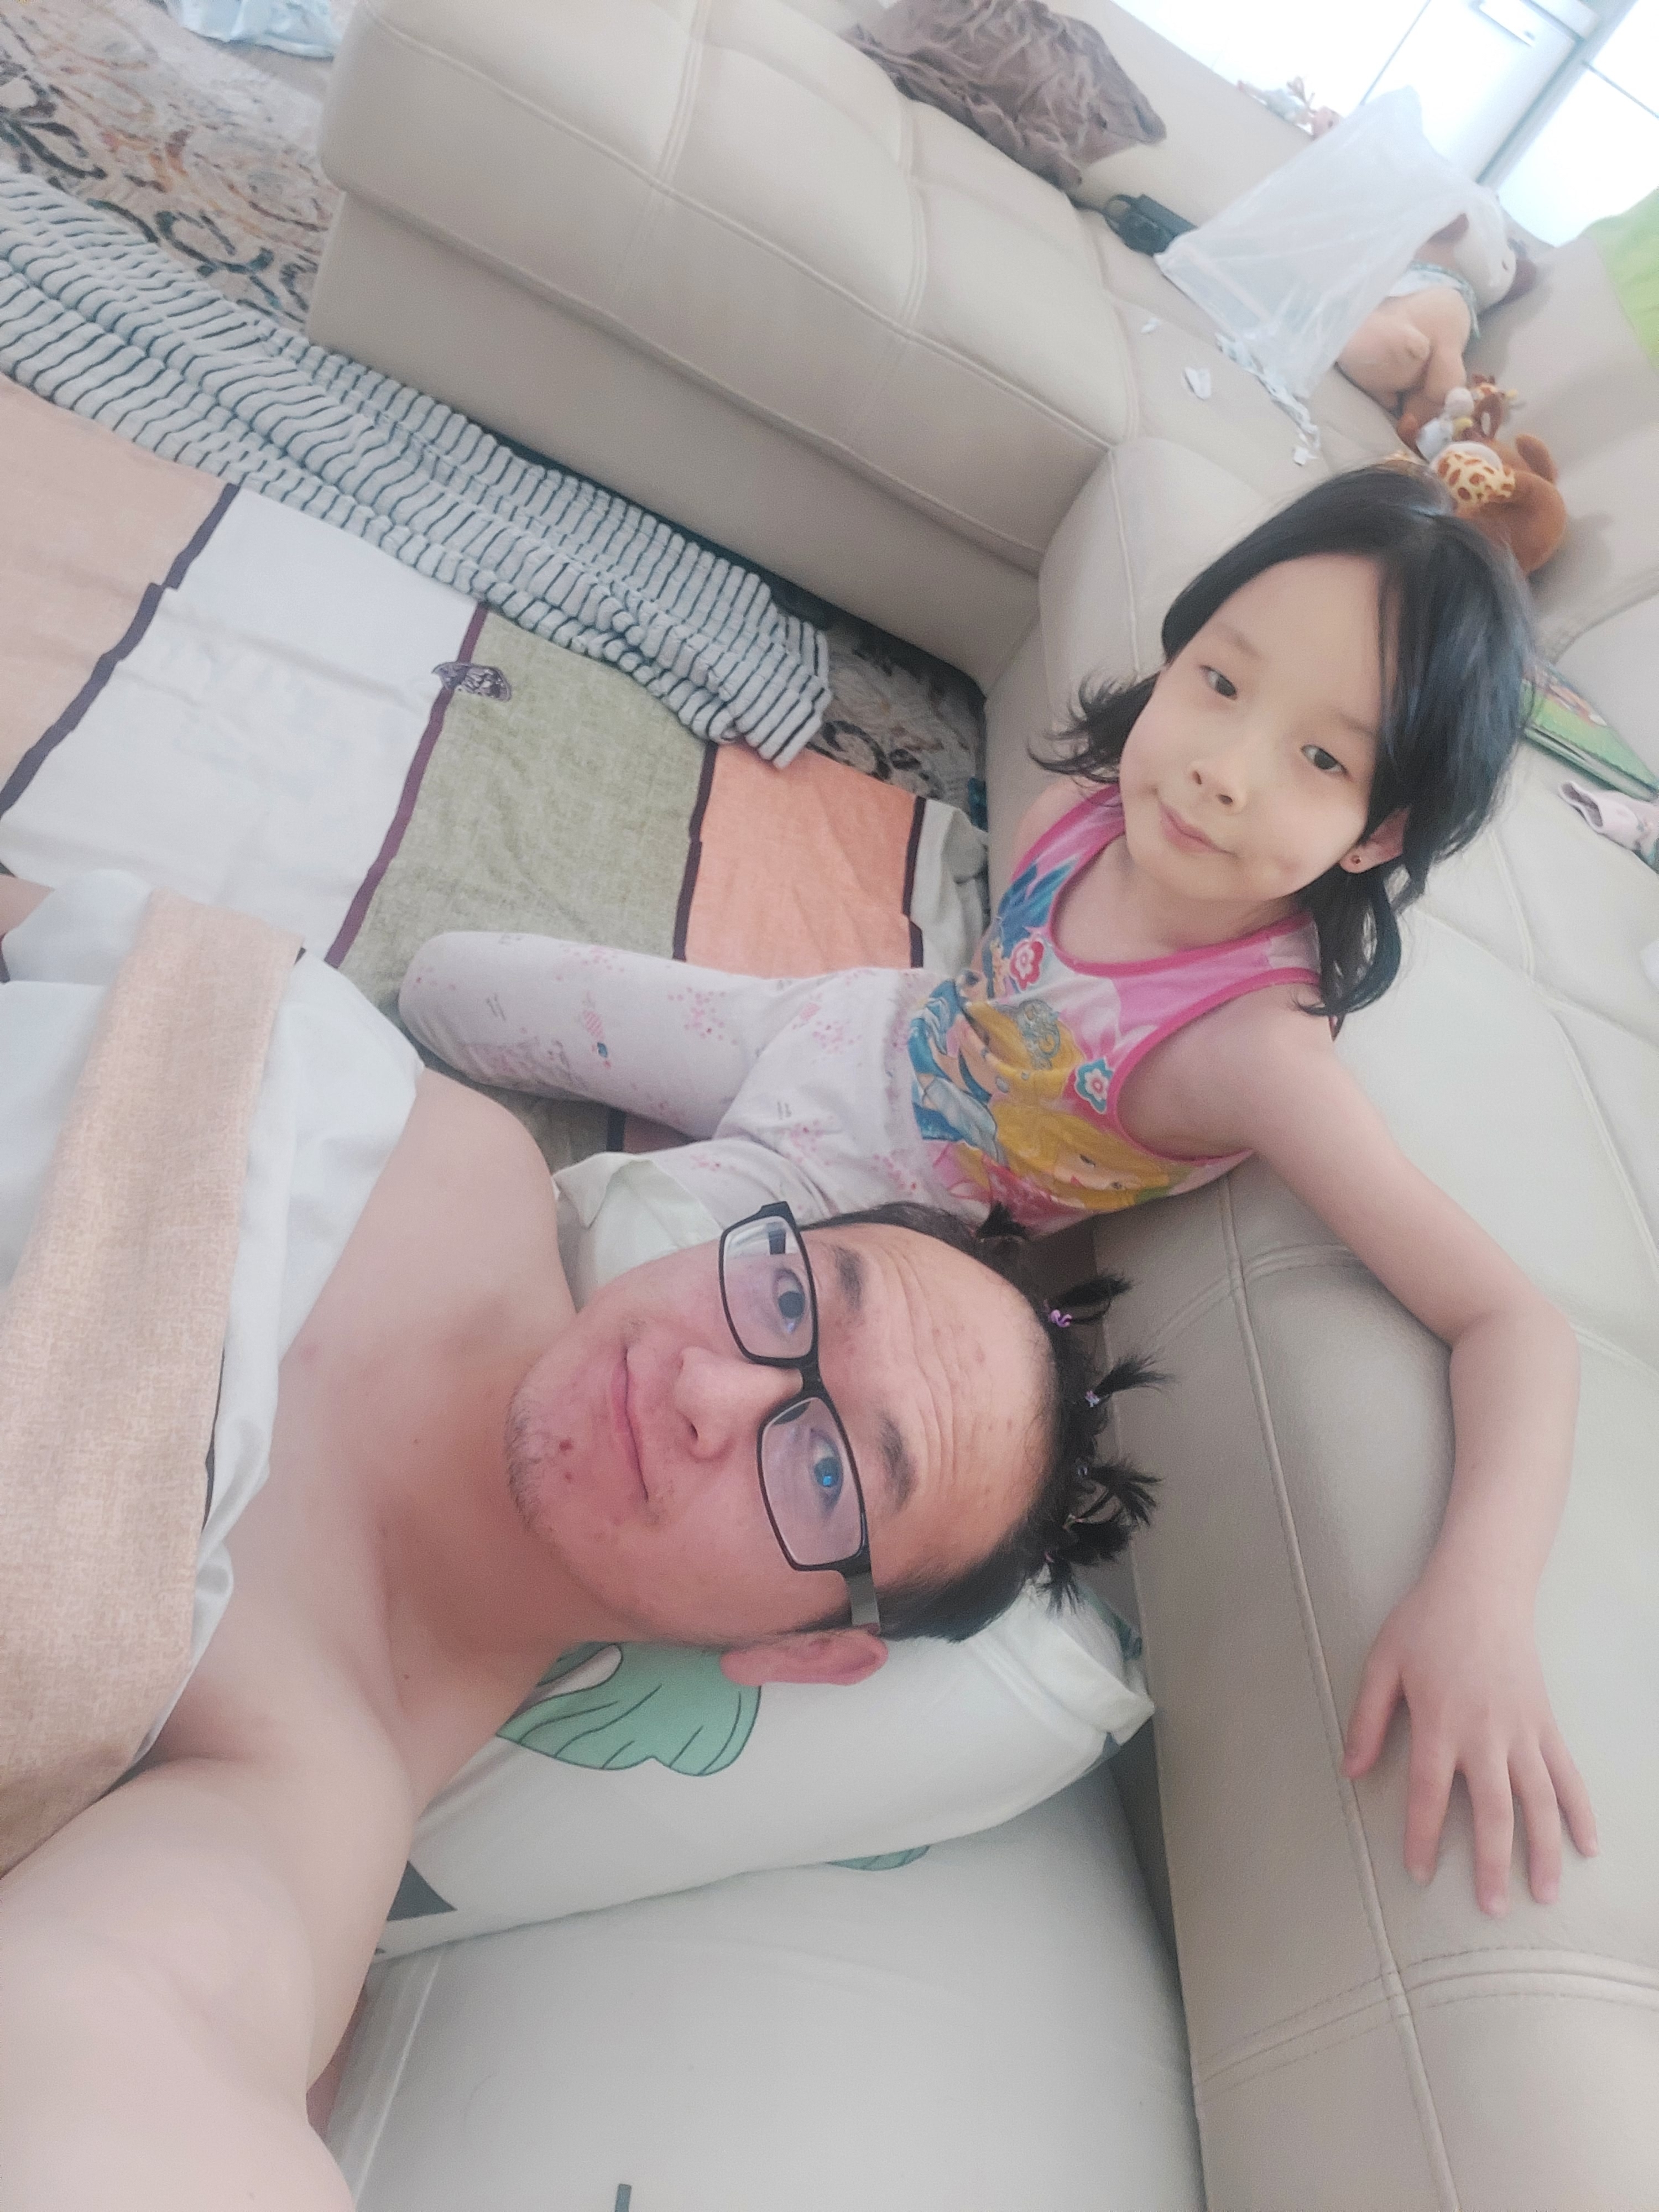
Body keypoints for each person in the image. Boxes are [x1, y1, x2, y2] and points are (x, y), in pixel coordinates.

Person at [399, 466, 1599, 1921]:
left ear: (1380, 834)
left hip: (839, 1209)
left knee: (567, 1299)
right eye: (1222, 680)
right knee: (448, 987)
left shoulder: (1256, 1054)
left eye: (1319, 758)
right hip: (828, 1026)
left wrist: (1479, 1601)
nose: (1224, 767)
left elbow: (1515, 1325)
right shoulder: (1107, 799)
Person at [0, 869, 1147, 2211]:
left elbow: (130, 2028)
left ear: (805, 1648)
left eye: (827, 1467)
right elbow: (68, 939)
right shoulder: (463, 1150)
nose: (715, 1388)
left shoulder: (311, 1784)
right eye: (792, 1294)